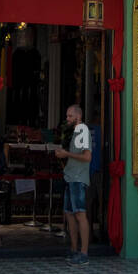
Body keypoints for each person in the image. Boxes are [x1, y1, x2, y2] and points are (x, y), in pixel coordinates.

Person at [54, 104, 91, 264]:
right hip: (69, 176)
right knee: (69, 214)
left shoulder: (82, 130)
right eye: (67, 116)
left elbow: (87, 157)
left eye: (70, 116)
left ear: (78, 116)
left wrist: (67, 153)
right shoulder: (72, 133)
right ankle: (74, 249)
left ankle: (84, 252)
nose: (67, 118)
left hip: (78, 177)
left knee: (80, 214)